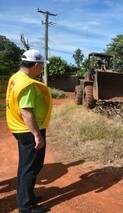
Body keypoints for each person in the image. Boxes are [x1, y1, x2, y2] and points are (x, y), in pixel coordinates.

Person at [6, 49, 52, 213]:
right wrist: (37, 135)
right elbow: (26, 111)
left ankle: (28, 196)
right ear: (35, 65)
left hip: (20, 128)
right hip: (29, 130)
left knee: (26, 165)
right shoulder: (28, 84)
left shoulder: (16, 77)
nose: (41, 69)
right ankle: (26, 206)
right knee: (31, 167)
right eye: (41, 66)